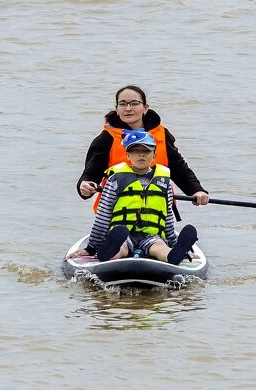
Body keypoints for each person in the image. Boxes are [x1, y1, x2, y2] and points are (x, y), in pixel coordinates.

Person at [77, 85, 209, 208]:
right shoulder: (105, 139)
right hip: (117, 212)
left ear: (145, 108)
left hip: (157, 210)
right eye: (122, 104)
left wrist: (196, 190)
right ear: (117, 109)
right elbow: (90, 175)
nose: (128, 108)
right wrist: (85, 187)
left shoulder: (162, 134)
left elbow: (178, 168)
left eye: (134, 103)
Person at [85, 130, 199, 265]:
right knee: (121, 247)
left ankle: (174, 255)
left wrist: (174, 243)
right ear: (127, 154)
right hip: (124, 234)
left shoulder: (164, 182)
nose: (141, 154)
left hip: (152, 235)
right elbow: (103, 215)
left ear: (154, 154)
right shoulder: (115, 179)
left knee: (159, 248)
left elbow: (167, 217)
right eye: (135, 151)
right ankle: (108, 254)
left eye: (146, 151)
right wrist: (91, 247)